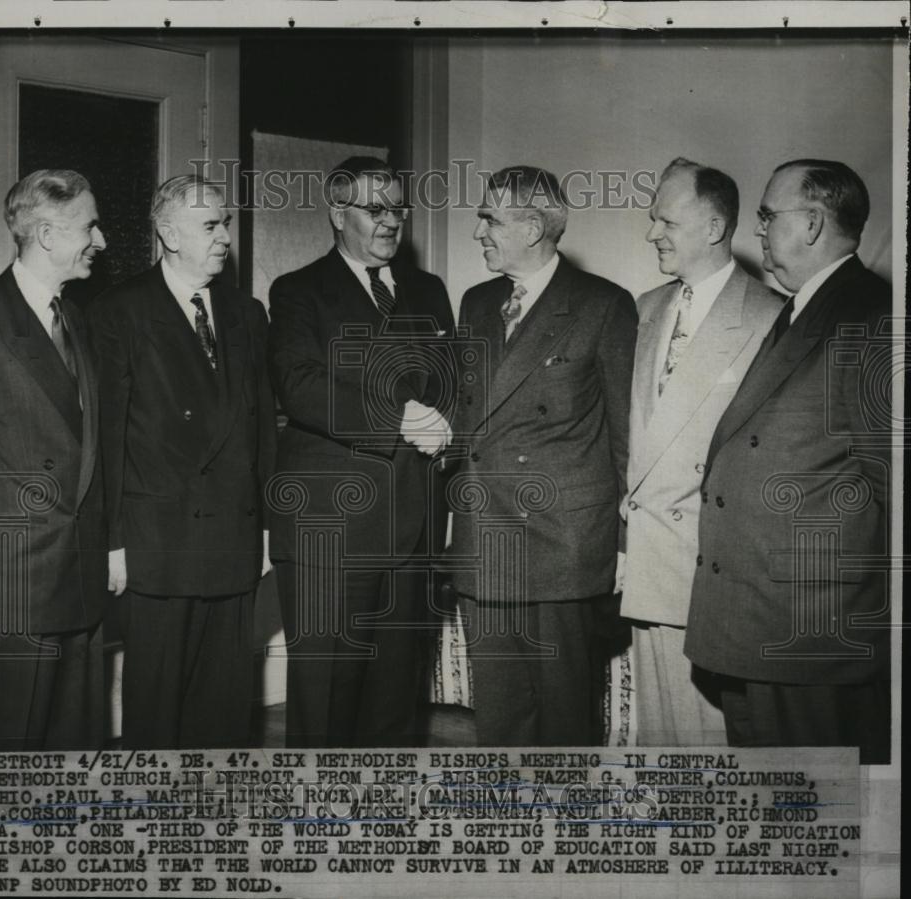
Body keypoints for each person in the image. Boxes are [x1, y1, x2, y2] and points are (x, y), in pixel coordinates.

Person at [685, 159, 892, 763]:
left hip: (811, 632)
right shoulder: (803, 308)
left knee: (816, 800)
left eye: (768, 215)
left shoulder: (871, 315)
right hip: (759, 622)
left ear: (812, 223)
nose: (759, 230)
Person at [267, 156, 455, 747]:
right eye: (375, 209)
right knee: (326, 706)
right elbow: (299, 385)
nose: (391, 221)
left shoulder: (429, 291)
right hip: (330, 531)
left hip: (413, 528)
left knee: (395, 705)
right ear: (337, 214)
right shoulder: (297, 291)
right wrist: (398, 419)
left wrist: (447, 429)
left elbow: (452, 386)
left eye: (398, 208)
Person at [449, 165, 637, 746]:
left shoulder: (603, 305)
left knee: (564, 710)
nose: (478, 232)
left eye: (489, 219)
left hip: (563, 542)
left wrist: (626, 542)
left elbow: (627, 436)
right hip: (485, 535)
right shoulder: (477, 302)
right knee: (499, 707)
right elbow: (469, 415)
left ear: (532, 228)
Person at [90, 174, 276, 749]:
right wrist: (113, 543)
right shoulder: (119, 311)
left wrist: (267, 526)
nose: (225, 237)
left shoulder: (248, 313)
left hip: (233, 537)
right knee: (158, 707)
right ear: (169, 234)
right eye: (210, 225)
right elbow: (106, 438)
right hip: (158, 542)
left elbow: (261, 431)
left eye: (225, 223)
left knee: (224, 706)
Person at [0, 169, 108, 758]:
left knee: (66, 761)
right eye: (89, 226)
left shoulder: (76, 318)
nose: (100, 240)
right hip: (9, 589)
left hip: (77, 582)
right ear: (47, 234)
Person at [620, 158, 782, 745]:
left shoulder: (771, 317)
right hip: (645, 562)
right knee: (658, 739)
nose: (652, 233)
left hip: (710, 571)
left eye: (666, 221)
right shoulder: (644, 308)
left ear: (714, 228)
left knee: (710, 748)